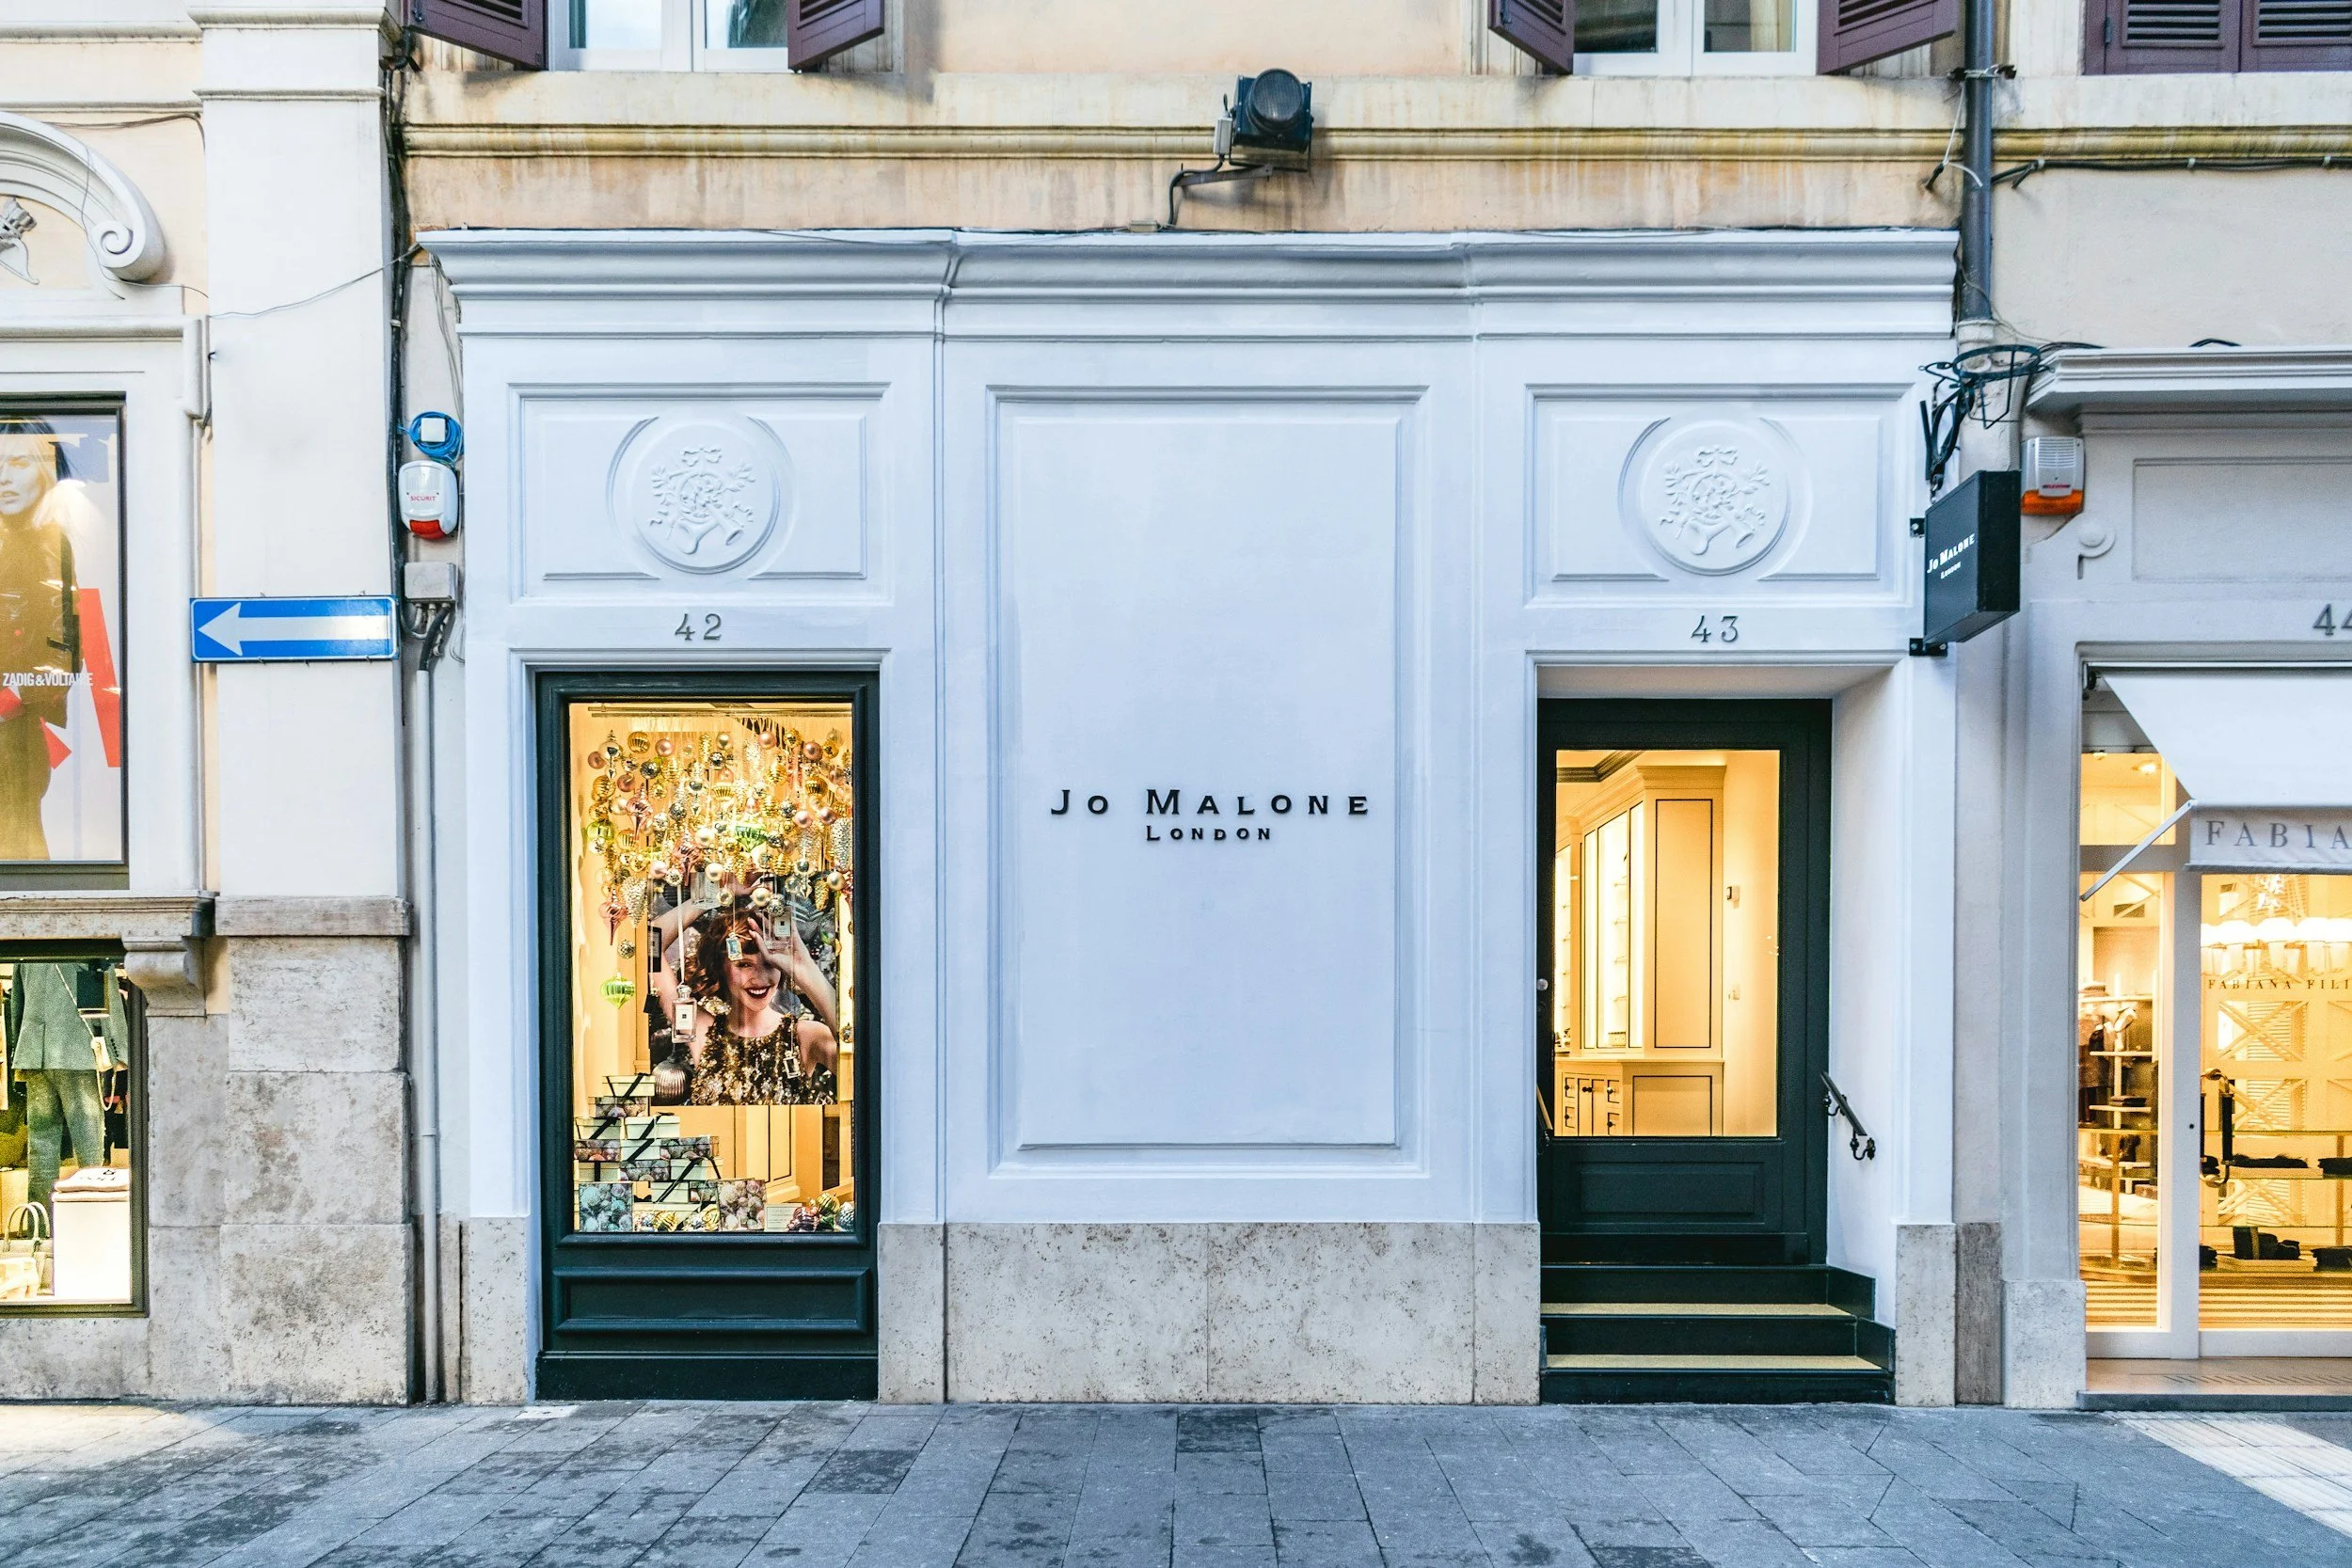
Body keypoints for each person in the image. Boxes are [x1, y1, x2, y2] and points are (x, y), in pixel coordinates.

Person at [647, 891, 839, 1105]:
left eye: (769, 963)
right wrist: (716, 892)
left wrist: (804, 968)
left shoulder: (806, 1036)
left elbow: (865, 1064)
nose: (760, 978)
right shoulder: (702, 1029)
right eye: (744, 964)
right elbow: (650, 943)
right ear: (721, 968)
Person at [0, 417, 88, 861]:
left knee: (19, 840)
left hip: (17, 732)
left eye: (18, 462)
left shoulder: (57, 546)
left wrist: (15, 694)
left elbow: (67, 644)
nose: (3, 478)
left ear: (45, 469)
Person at [8, 959, 122, 1212]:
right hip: (77, 1052)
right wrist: (119, 1051)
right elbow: (107, 1004)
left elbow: (18, 1005)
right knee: (89, 1145)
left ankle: (39, 1226)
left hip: (36, 1054)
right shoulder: (87, 952)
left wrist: (21, 1052)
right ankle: (91, 1218)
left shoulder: (27, 954)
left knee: (41, 1148)